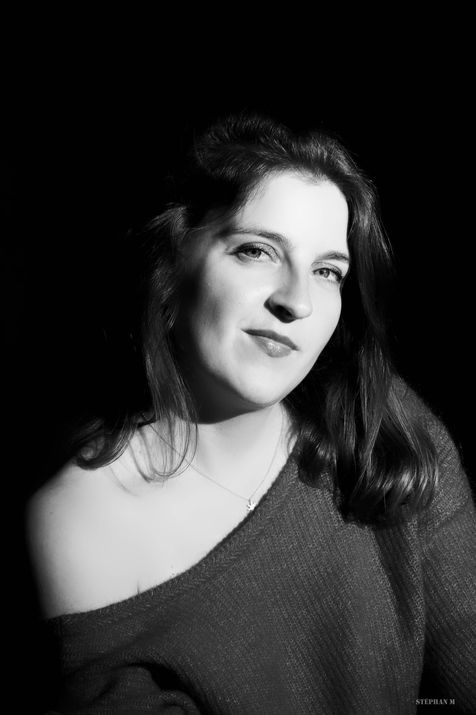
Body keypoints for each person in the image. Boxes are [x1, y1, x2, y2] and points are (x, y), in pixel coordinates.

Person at [26, 112, 476, 713]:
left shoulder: (378, 423)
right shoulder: (83, 525)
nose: (297, 301)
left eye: (327, 271)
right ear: (170, 263)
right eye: (257, 251)